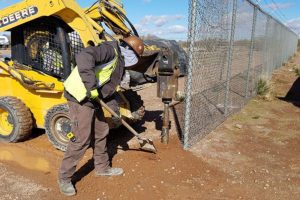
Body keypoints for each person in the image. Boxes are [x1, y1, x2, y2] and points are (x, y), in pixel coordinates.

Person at [58, 35, 144, 196]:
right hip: (79, 97)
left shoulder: (119, 64)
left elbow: (108, 90)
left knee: (101, 130)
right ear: (128, 50)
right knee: (81, 138)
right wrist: (90, 87)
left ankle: (102, 167)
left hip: (93, 98)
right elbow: (84, 56)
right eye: (135, 56)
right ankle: (64, 178)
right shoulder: (109, 50)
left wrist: (115, 111)